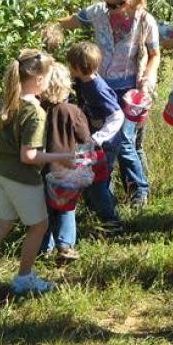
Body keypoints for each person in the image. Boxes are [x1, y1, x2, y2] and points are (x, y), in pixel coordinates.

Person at [0, 50, 75, 296]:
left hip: (1, 171)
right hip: (22, 178)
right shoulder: (34, 112)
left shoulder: (7, 100)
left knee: (3, 223)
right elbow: (29, 156)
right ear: (40, 80)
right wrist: (63, 157)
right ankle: (24, 278)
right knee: (39, 225)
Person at [56, 0, 160, 208]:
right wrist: (48, 24)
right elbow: (70, 22)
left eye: (115, 5)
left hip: (127, 89)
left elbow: (155, 54)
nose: (109, 9)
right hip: (98, 86)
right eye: (107, 2)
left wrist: (147, 80)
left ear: (129, 1)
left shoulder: (144, 20)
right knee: (101, 141)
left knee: (123, 141)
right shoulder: (98, 12)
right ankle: (106, 193)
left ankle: (138, 191)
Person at [66, 41, 125, 233]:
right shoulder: (83, 82)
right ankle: (99, 210)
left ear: (76, 67)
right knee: (94, 179)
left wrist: (99, 138)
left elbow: (117, 115)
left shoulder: (97, 88)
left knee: (96, 182)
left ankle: (111, 222)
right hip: (89, 142)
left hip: (103, 144)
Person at [39, 63, 93, 261]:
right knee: (66, 208)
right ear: (66, 85)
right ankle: (65, 245)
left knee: (45, 210)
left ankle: (44, 248)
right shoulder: (72, 111)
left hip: (42, 168)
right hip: (67, 170)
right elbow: (85, 139)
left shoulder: (38, 110)